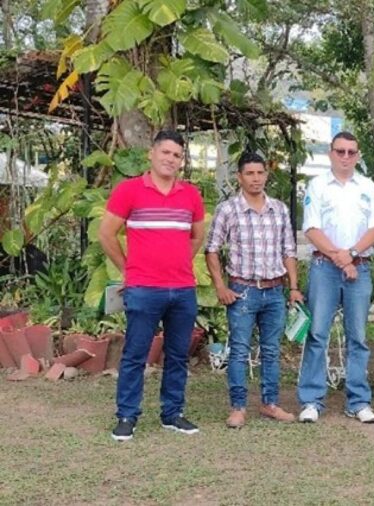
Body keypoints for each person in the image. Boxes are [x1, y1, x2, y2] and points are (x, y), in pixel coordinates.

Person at [99, 130, 205, 441]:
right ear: (152, 154)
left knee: (177, 355)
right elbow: (107, 234)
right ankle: (127, 415)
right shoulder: (129, 190)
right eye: (166, 152)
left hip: (183, 290)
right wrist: (128, 270)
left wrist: (179, 261)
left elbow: (197, 236)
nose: (171, 159)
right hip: (144, 289)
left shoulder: (190, 195)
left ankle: (173, 414)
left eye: (177, 155)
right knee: (135, 353)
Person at [205, 152, 303, 429]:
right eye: (250, 173)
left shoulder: (279, 209)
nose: (256, 178)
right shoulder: (228, 209)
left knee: (271, 350)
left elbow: (289, 251)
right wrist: (220, 286)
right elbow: (211, 249)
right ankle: (238, 407)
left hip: (274, 291)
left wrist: (294, 287)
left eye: (260, 173)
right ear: (239, 177)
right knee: (238, 350)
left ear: (266, 175)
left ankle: (270, 403)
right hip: (243, 291)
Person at [297, 131, 374, 424]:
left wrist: (351, 254)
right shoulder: (318, 185)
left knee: (358, 337)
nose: (346, 157)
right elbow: (312, 229)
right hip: (324, 268)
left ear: (358, 155)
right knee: (318, 333)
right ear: (330, 153)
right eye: (340, 151)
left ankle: (358, 401)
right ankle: (311, 400)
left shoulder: (367, 186)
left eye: (351, 152)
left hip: (359, 268)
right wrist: (339, 257)